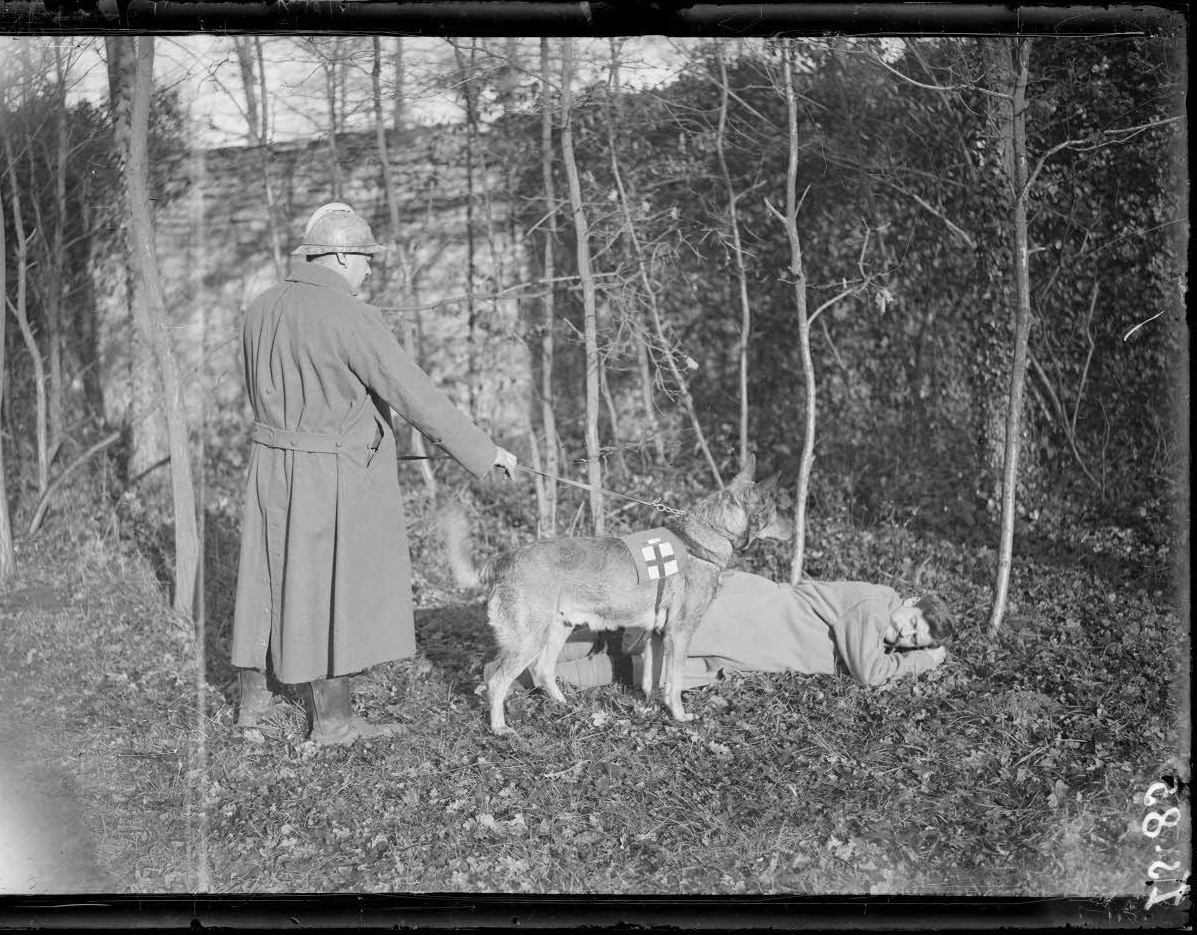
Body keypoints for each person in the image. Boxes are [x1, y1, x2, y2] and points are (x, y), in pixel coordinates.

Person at [232, 203, 518, 747]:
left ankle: (252, 706)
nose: (369, 270)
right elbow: (414, 393)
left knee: (264, 580)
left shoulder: (260, 307)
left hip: (269, 461)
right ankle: (334, 722)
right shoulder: (350, 315)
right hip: (326, 476)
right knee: (325, 588)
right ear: (339, 253)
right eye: (365, 258)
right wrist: (482, 452)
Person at [534, 570, 954, 692]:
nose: (904, 634)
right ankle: (530, 663)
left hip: (745, 645)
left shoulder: (883, 625)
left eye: (913, 640)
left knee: (639, 664)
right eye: (912, 623)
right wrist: (921, 660)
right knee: (634, 631)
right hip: (747, 615)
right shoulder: (876, 606)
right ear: (911, 601)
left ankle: (528, 675)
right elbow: (871, 672)